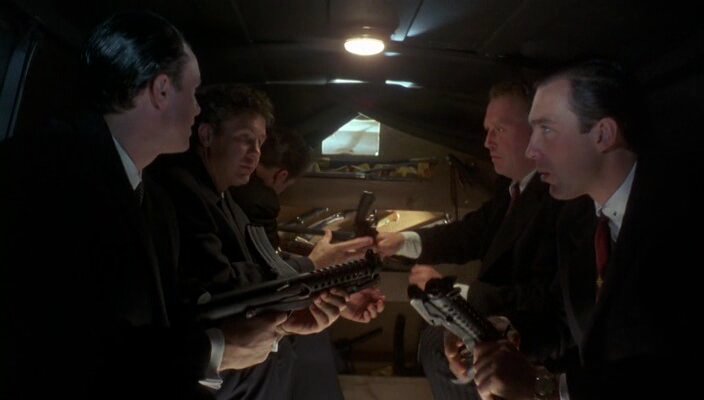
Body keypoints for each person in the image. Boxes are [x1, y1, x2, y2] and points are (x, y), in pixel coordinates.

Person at [0, 12, 285, 399]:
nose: (198, 110)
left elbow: (159, 324)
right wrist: (215, 350)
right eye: (193, 92)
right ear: (162, 90)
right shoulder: (43, 177)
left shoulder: (153, 202)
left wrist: (263, 326)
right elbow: (61, 349)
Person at [471, 60, 698, 399]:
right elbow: (569, 321)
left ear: (603, 135)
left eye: (547, 129)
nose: (531, 149)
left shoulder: (682, 216)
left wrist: (545, 387)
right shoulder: (576, 221)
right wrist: (502, 332)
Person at [148, 84, 377, 399]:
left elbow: (259, 274)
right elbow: (222, 288)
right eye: (245, 139)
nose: (255, 152)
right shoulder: (184, 189)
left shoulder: (224, 197)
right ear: (207, 135)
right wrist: (311, 266)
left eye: (259, 142)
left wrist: (293, 313)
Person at [375, 81, 565, 399]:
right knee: (434, 344)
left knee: (441, 353)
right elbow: (470, 233)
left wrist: (454, 297)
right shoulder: (514, 188)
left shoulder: (560, 198)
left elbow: (547, 301)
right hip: (508, 325)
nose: (487, 142)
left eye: (499, 130)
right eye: (487, 130)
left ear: (536, 131)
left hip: (537, 346)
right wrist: (401, 242)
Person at [230, 129, 386, 399]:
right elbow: (255, 285)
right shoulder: (256, 200)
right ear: (281, 176)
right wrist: (315, 266)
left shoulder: (244, 200)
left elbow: (260, 275)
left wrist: (329, 289)